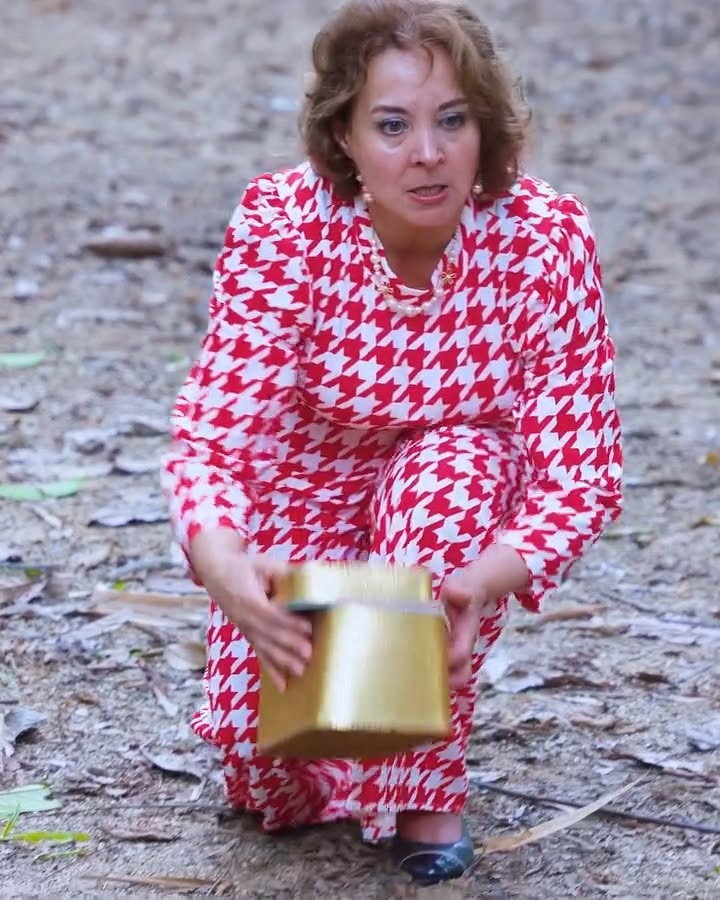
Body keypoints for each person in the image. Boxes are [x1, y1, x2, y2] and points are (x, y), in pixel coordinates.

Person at [162, 0, 622, 886]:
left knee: (450, 478)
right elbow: (215, 436)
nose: (428, 153)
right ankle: (330, 744)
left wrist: (485, 577)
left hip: (451, 485)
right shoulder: (286, 225)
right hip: (304, 483)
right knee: (274, 769)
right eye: (393, 125)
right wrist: (223, 563)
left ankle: (425, 787)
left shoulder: (543, 240)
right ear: (345, 136)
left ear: (485, 128)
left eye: (453, 120)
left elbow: (584, 474)